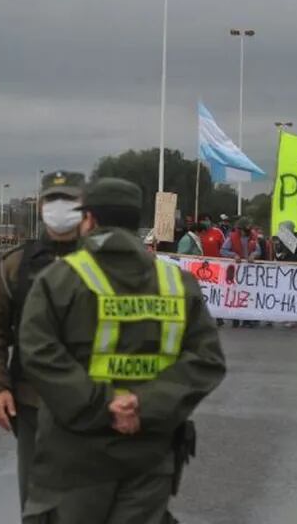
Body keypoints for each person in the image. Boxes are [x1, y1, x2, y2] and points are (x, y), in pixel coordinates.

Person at [18, 178, 227, 524]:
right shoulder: (177, 284)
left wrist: (104, 405)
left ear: (90, 220)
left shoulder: (59, 279)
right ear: (134, 221)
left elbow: (38, 354)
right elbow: (207, 361)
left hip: (76, 458)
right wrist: (142, 405)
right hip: (150, 456)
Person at [0, 170, 83, 507]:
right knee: (37, 503)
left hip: (95, 404)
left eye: (69, 200)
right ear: (40, 206)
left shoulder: (106, 262)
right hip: (33, 402)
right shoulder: (16, 266)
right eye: (53, 200)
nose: (60, 207)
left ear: (84, 207)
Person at [221, 217, 261, 327]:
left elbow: (258, 250)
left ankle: (247, 319)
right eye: (244, 230)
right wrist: (233, 255)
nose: (246, 232)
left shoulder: (253, 237)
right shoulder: (232, 237)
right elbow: (223, 250)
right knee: (235, 293)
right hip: (236, 271)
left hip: (249, 272)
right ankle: (235, 318)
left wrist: (254, 255)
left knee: (248, 294)